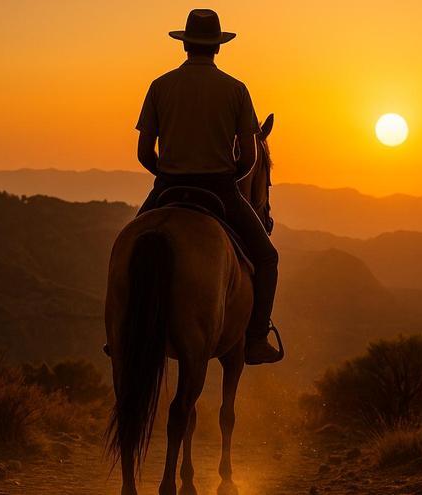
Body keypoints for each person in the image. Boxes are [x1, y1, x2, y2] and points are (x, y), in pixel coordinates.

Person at [135, 9, 282, 365]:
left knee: (129, 246)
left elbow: (144, 153)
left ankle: (122, 331)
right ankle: (256, 339)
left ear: (185, 45)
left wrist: (167, 174)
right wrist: (229, 178)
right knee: (267, 258)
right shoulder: (236, 90)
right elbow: (249, 157)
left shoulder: (160, 86)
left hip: (168, 187)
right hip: (220, 189)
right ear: (218, 47)